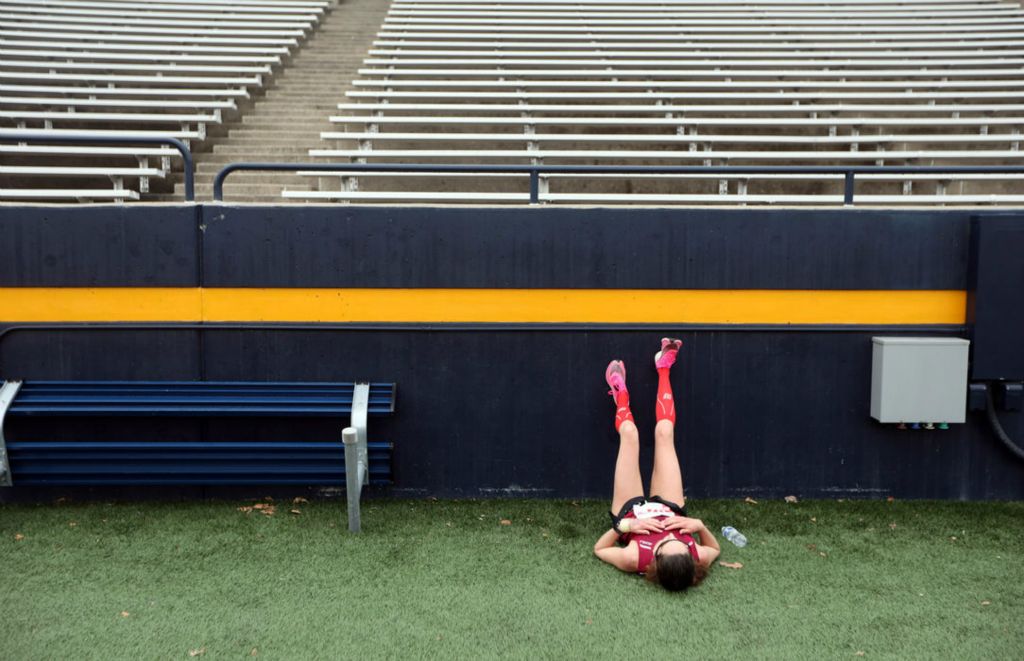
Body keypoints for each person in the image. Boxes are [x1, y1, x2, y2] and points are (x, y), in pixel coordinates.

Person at [593, 338, 720, 591]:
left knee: (629, 434)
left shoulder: (633, 559)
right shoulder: (699, 556)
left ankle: (621, 395)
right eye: (682, 541)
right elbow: (714, 548)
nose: (672, 535)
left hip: (630, 512)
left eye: (667, 542)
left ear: (656, 558)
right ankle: (663, 366)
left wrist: (627, 527)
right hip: (670, 507)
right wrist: (699, 526)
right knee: (664, 432)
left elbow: (599, 549)